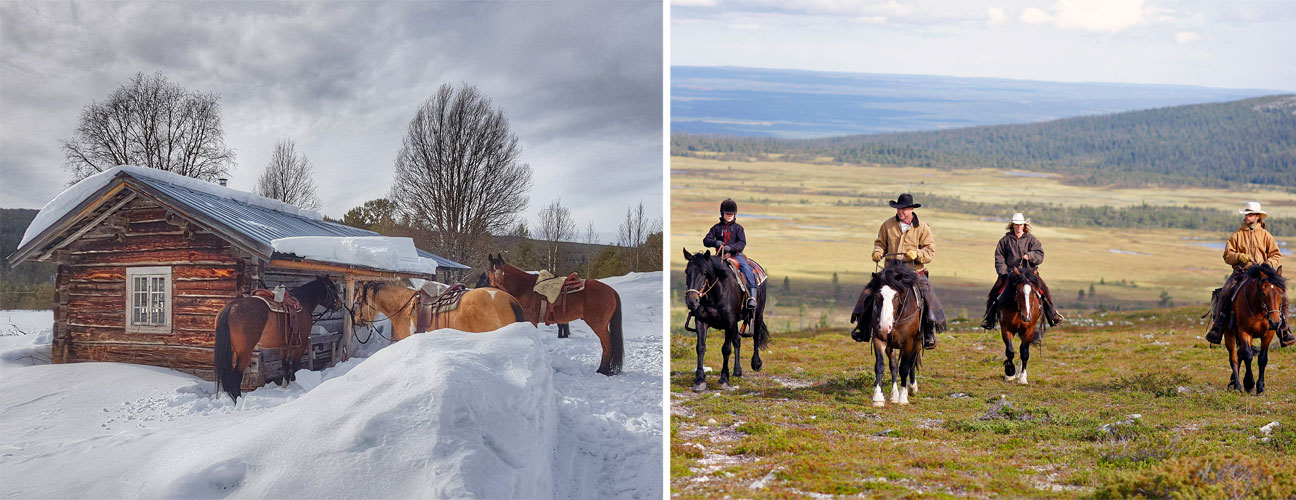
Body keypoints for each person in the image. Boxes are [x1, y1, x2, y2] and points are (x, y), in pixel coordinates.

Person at [1205, 201, 1294, 347]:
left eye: (1250, 214)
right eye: (1246, 213)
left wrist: (1268, 264)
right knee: (1226, 292)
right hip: (1242, 272)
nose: (1247, 216)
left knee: (1282, 295)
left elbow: (1276, 255)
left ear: (1257, 217)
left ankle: (1284, 329)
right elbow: (1227, 255)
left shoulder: (1266, 235)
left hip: (1263, 273)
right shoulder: (1237, 235)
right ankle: (1217, 328)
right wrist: (1239, 257)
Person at [870, 193, 946, 350]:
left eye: (904, 209)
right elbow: (880, 243)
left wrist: (918, 254)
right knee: (870, 291)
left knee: (928, 296)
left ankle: (929, 333)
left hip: (913, 272)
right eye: (898, 209)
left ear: (911, 209)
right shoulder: (887, 225)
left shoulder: (922, 227)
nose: (900, 212)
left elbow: (930, 251)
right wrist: (877, 251)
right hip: (890, 272)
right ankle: (863, 328)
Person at [981, 213, 1065, 338]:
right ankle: (990, 318)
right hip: (1010, 274)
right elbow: (999, 257)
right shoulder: (1005, 241)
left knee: (1044, 291)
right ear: (1013, 225)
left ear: (1024, 225)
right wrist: (1004, 273)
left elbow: (1040, 255)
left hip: (1029, 274)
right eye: (1016, 224)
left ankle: (1052, 315)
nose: (1019, 226)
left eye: (1020, 224)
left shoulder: (1032, 239)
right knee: (994, 292)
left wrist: (1030, 256)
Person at [704, 198, 758, 310]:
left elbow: (742, 243)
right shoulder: (716, 228)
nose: (729, 216)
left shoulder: (738, 228)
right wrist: (715, 242)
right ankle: (701, 295)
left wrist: (731, 247)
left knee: (746, 269)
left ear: (735, 214)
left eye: (731, 214)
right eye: (727, 214)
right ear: (722, 213)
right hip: (720, 256)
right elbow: (706, 240)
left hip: (736, 255)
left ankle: (752, 297)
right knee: (704, 269)